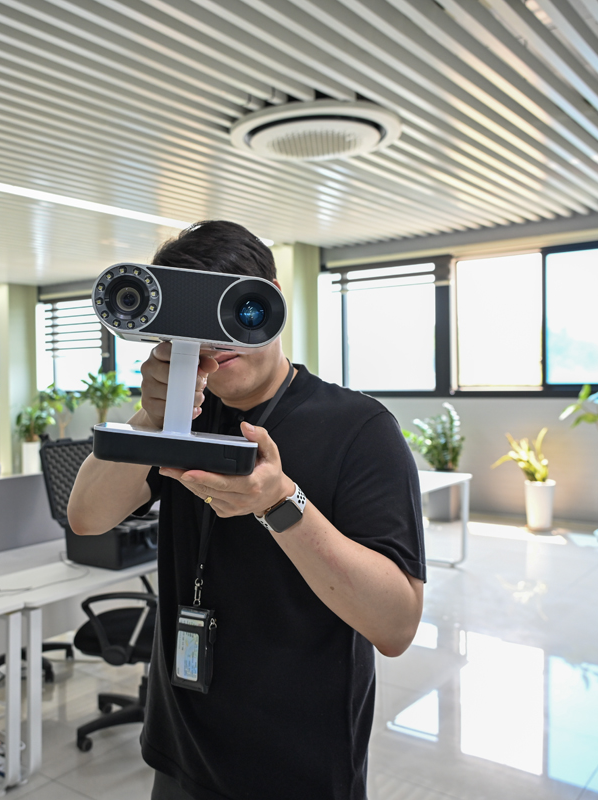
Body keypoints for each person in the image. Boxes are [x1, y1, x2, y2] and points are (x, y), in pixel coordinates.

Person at [67, 220, 425, 800]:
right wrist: (154, 417)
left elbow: (397, 624)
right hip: (180, 751)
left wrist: (281, 504)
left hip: (298, 766)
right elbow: (88, 516)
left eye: (233, 309)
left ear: (271, 299)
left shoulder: (360, 429)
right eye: (192, 318)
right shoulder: (183, 419)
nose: (215, 341)